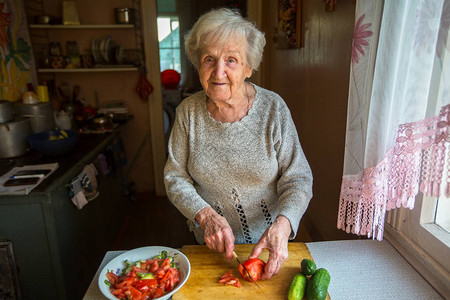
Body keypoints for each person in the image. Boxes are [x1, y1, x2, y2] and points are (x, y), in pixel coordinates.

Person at [164, 7, 313, 280]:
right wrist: (205, 216)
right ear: (198, 63)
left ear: (249, 67)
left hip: (269, 247)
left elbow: (298, 178)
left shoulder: (273, 109)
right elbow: (175, 177)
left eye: (231, 60)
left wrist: (283, 224)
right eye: (209, 59)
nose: (218, 72)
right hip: (209, 246)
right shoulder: (187, 113)